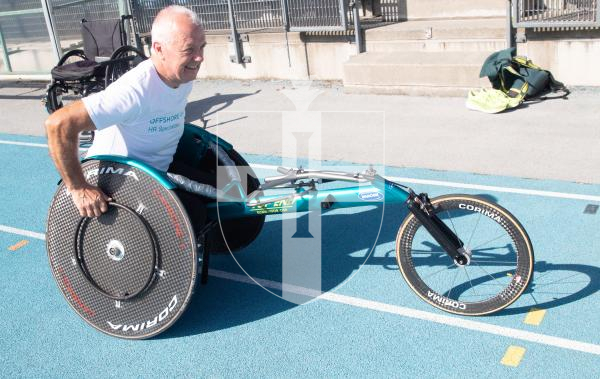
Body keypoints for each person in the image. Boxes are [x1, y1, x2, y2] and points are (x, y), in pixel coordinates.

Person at [45, 5, 207, 223]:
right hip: (126, 182)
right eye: (189, 50)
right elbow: (58, 124)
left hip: (161, 166)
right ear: (159, 49)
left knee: (241, 185)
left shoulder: (181, 76)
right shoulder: (134, 91)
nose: (199, 58)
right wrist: (79, 188)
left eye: (201, 47)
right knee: (199, 213)